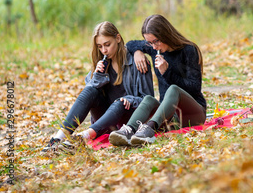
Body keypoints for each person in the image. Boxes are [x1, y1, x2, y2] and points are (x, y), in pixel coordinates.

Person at [42, 21, 154, 152]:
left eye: (107, 44)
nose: (104, 50)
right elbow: (88, 96)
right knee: (90, 89)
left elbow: (149, 100)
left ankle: (81, 138)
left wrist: (130, 99)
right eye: (100, 46)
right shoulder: (102, 63)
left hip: (129, 122)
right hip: (105, 122)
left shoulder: (137, 61)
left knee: (120, 103)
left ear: (118, 38)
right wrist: (97, 76)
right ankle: (58, 138)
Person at [109, 14, 206, 146]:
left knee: (173, 89)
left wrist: (167, 72)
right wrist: (138, 52)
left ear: (166, 35)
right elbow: (131, 44)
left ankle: (149, 129)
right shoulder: (154, 48)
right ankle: (128, 130)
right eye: (149, 42)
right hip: (169, 116)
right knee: (148, 99)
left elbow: (195, 87)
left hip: (193, 113)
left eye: (156, 41)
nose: (153, 47)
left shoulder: (188, 50)